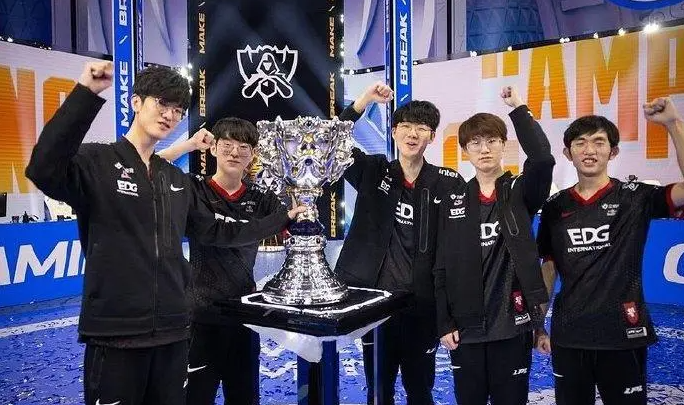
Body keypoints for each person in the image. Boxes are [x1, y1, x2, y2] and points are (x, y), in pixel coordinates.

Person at [25, 61, 304, 405]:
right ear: (136, 102)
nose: (170, 115)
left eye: (178, 109)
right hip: (117, 334)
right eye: (162, 103)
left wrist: (283, 219)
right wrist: (86, 93)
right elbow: (43, 169)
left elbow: (218, 231)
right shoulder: (97, 163)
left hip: (174, 334)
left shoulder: (173, 179)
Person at [536, 98, 684, 405]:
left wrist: (673, 124)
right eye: (580, 143)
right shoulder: (554, 207)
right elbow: (548, 269)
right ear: (568, 154)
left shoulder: (636, 197)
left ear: (613, 152)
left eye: (598, 142)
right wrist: (538, 325)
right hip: (569, 335)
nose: (589, 150)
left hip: (623, 333)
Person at [336, 82, 465, 404]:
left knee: (419, 389)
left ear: (431, 136)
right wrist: (364, 101)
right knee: (378, 391)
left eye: (422, 128)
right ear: (393, 132)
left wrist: (450, 310)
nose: (413, 134)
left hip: (422, 304)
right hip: (375, 302)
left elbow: (456, 249)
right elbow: (334, 140)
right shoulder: (373, 170)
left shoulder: (447, 182)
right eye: (405, 126)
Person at [433, 86, 554, 405]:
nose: (484, 149)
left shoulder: (520, 191)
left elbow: (542, 159)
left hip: (513, 325)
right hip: (466, 329)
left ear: (503, 144)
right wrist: (444, 322)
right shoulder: (453, 200)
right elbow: (441, 267)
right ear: (465, 150)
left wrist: (518, 109)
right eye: (475, 142)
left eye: (491, 140)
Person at [157, 117, 286, 404]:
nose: (234, 152)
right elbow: (149, 166)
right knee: (195, 397)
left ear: (253, 154)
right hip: (200, 316)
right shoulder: (194, 189)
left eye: (243, 147)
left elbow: (294, 222)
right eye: (227, 144)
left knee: (245, 398)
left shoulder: (261, 198)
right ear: (213, 148)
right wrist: (190, 145)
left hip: (243, 317)